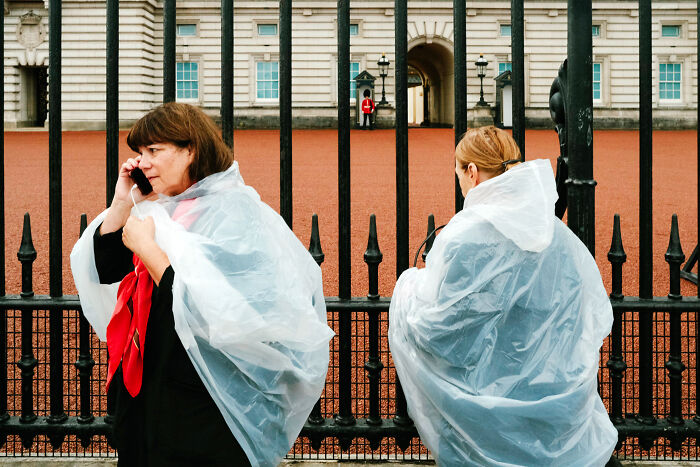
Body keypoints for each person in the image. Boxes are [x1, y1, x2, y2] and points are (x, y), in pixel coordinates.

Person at [70, 102, 334, 467]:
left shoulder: (237, 213)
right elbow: (102, 270)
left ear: (191, 149)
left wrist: (150, 251)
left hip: (203, 404)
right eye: (140, 152)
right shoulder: (159, 206)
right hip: (150, 393)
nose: (142, 162)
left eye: (155, 150)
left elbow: (230, 316)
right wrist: (121, 202)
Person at [388, 126, 617, 466]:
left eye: (459, 173)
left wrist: (407, 286)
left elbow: (439, 329)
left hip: (483, 401)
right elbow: (585, 306)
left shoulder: (464, 233)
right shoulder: (552, 229)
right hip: (549, 386)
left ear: (472, 172)